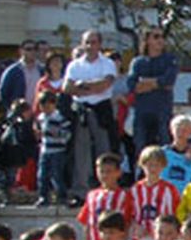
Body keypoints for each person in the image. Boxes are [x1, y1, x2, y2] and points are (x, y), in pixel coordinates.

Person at [62, 29, 119, 185]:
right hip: (81, 110)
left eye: (93, 42)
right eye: (87, 42)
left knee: (104, 148)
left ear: (99, 44)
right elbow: (67, 88)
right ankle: (81, 186)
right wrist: (92, 87)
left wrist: (83, 86)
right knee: (81, 151)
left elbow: (105, 85)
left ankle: (108, 185)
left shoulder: (108, 63)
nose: (90, 46)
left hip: (101, 109)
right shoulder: (74, 65)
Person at [123, 27, 178, 154]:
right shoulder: (137, 62)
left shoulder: (169, 59)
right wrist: (157, 83)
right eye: (156, 37)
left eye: (162, 37)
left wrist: (145, 82)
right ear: (147, 40)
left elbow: (169, 81)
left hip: (163, 112)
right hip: (142, 113)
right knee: (142, 151)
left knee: (164, 150)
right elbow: (132, 85)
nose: (160, 40)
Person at [35, 90, 74, 206]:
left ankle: (62, 196)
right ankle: (43, 196)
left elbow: (68, 134)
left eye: (49, 104)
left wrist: (57, 134)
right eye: (43, 104)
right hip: (45, 150)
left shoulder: (59, 118)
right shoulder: (41, 118)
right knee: (42, 175)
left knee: (57, 175)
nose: (46, 107)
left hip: (57, 151)